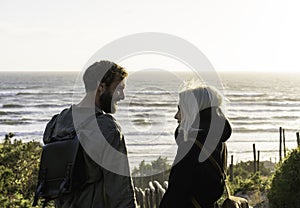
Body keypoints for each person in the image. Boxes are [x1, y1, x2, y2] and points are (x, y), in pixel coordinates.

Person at [43, 60, 137, 207]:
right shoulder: (108, 128)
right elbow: (120, 191)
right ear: (101, 86)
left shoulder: (57, 122)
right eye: (119, 89)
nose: (122, 96)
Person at [159, 83, 232, 208]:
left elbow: (175, 195)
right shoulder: (218, 142)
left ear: (191, 111)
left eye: (180, 109)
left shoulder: (191, 148)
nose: (176, 116)